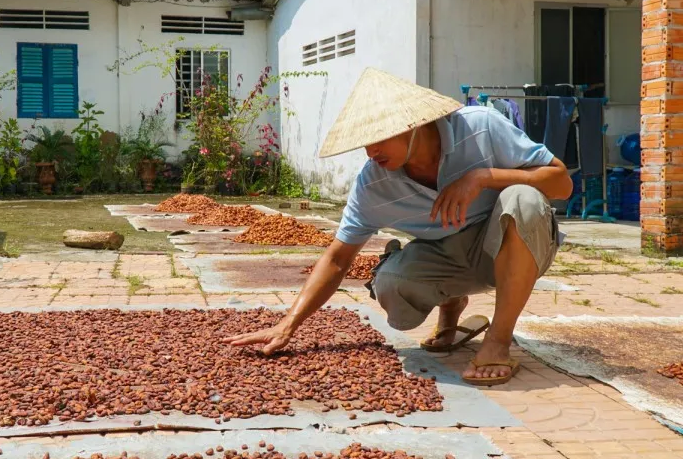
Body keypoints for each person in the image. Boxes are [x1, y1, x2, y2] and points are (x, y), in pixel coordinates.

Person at [224, 67, 572, 386]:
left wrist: (482, 177)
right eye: (364, 142)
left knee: (523, 198)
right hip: (448, 254)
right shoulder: (374, 185)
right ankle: (451, 301)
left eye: (379, 138)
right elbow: (337, 259)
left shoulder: (481, 127)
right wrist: (288, 325)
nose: (370, 152)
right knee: (390, 284)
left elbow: (561, 182)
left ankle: (497, 342)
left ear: (413, 126)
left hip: (510, 245)